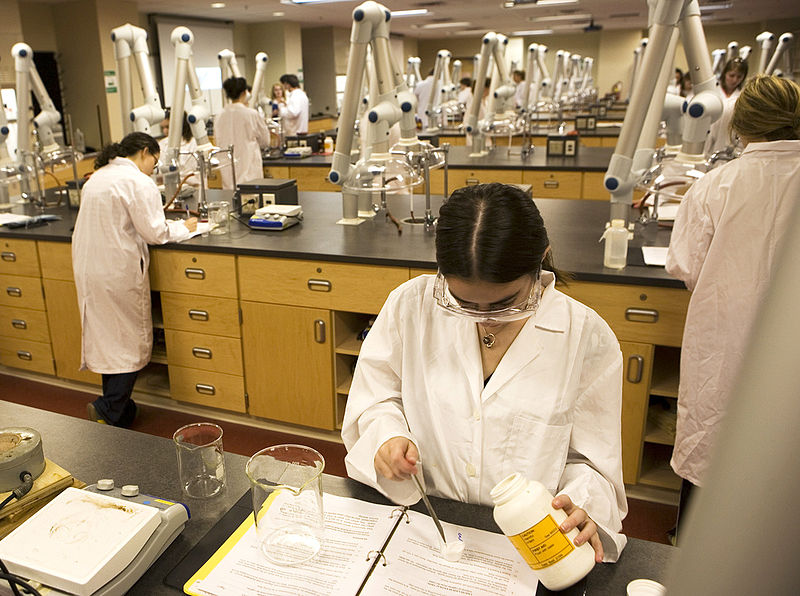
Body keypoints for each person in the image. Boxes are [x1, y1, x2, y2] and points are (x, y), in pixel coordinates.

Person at [342, 183, 628, 562]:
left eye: (505, 302)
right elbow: (376, 399)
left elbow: (592, 463)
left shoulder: (586, 337)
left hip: (530, 545)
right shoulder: (410, 307)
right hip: (427, 527)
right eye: (463, 302)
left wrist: (583, 504)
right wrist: (386, 437)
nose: (484, 317)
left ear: (541, 259)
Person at [666, 75, 800, 538]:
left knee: (715, 451)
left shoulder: (716, 186)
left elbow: (687, 267)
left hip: (725, 344)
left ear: (738, 126)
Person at [72, 132, 197, 427]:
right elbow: (156, 232)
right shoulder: (138, 182)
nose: (154, 168)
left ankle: (119, 410)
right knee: (127, 340)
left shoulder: (98, 177)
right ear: (144, 152)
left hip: (90, 268)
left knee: (108, 338)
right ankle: (107, 408)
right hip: (117, 270)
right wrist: (187, 227)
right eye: (154, 161)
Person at [215, 76, 270, 189]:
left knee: (232, 201)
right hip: (249, 172)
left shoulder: (219, 115)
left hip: (228, 173)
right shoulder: (251, 114)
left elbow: (217, 140)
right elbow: (265, 141)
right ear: (244, 92)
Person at [705, 58, 749, 157]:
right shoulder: (713, 92)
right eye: (731, 75)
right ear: (725, 73)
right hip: (708, 138)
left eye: (739, 77)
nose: (735, 80)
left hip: (729, 143)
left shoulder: (742, 97)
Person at [158, 109, 198, 184]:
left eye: (167, 127)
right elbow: (160, 171)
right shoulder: (162, 144)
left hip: (192, 187)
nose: (165, 131)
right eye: (162, 128)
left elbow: (196, 176)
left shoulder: (193, 144)